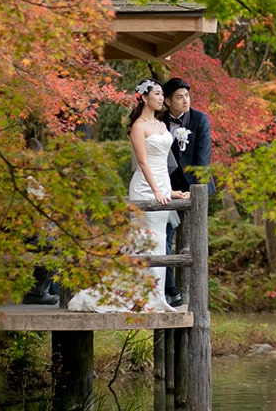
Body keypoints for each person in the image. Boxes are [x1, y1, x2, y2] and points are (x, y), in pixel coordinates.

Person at [68, 79, 189, 312]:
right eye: (156, 94)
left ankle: (155, 295)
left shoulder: (162, 126)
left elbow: (163, 163)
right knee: (144, 241)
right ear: (144, 98)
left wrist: (170, 191)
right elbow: (143, 162)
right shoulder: (138, 127)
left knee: (158, 241)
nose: (161, 98)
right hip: (145, 186)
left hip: (162, 183)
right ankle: (135, 295)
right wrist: (155, 190)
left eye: (162, 94)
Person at [161, 76, 212, 306]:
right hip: (168, 189)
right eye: (179, 97)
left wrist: (195, 191)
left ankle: (193, 297)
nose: (185, 101)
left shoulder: (200, 119)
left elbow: (203, 158)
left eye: (187, 96)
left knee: (192, 244)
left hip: (195, 189)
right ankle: (170, 290)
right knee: (164, 237)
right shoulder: (158, 121)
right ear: (167, 101)